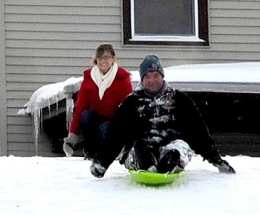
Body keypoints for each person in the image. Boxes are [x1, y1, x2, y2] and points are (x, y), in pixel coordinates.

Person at [90, 55, 235, 177]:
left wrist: (216, 160)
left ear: (162, 76)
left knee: (181, 147)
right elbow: (115, 135)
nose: (152, 80)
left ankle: (168, 163)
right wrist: (101, 162)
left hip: (170, 147)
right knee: (139, 148)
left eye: (155, 75)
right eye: (147, 76)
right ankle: (144, 161)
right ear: (142, 79)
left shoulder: (180, 100)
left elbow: (198, 132)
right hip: (139, 148)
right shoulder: (131, 103)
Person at [62, 44, 133, 159]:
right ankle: (90, 152)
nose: (103, 61)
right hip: (95, 120)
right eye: (100, 58)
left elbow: (128, 109)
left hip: (114, 122)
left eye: (106, 57)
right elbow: (80, 108)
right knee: (86, 116)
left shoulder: (122, 78)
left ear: (113, 59)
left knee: (104, 128)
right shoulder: (89, 78)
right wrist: (72, 137)